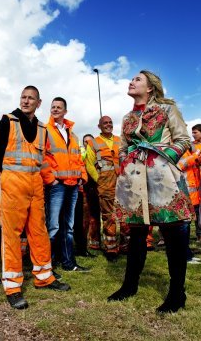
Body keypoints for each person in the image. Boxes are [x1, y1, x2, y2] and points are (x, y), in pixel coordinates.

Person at [108, 70, 193, 314]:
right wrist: (125, 162)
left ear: (150, 88)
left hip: (161, 177)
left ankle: (177, 293)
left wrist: (165, 160)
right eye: (132, 79)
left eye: (137, 79)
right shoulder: (127, 117)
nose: (131, 81)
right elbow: (123, 147)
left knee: (173, 232)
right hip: (134, 179)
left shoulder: (167, 110)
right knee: (135, 234)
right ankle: (129, 285)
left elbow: (183, 139)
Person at [0, 85, 70, 310]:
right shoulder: (7, 122)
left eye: (30, 98)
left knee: (39, 232)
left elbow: (41, 158)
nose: (25, 101)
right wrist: (3, 182)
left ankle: (44, 277)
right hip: (12, 184)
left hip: (35, 185)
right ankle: (13, 287)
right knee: (12, 236)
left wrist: (49, 178)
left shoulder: (42, 128)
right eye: (23, 97)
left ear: (38, 102)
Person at [44, 97, 88, 272]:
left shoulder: (73, 135)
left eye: (58, 107)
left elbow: (78, 158)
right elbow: (42, 158)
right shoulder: (45, 130)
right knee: (53, 226)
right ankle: (49, 264)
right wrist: (50, 179)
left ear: (65, 111)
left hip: (72, 185)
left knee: (68, 227)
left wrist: (81, 177)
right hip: (56, 185)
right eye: (53, 107)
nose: (55, 109)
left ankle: (69, 263)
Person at [85, 116, 130, 261]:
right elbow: (89, 164)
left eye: (110, 122)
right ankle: (111, 249)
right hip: (105, 183)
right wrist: (99, 180)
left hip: (123, 182)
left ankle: (125, 246)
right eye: (105, 123)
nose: (108, 125)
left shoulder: (120, 140)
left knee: (125, 215)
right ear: (99, 126)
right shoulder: (93, 143)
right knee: (109, 216)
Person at [81, 134, 101, 252]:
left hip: (96, 188)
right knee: (85, 217)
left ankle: (95, 242)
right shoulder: (81, 155)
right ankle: (83, 241)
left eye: (90, 142)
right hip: (84, 188)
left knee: (95, 215)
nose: (88, 144)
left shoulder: (98, 156)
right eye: (86, 142)